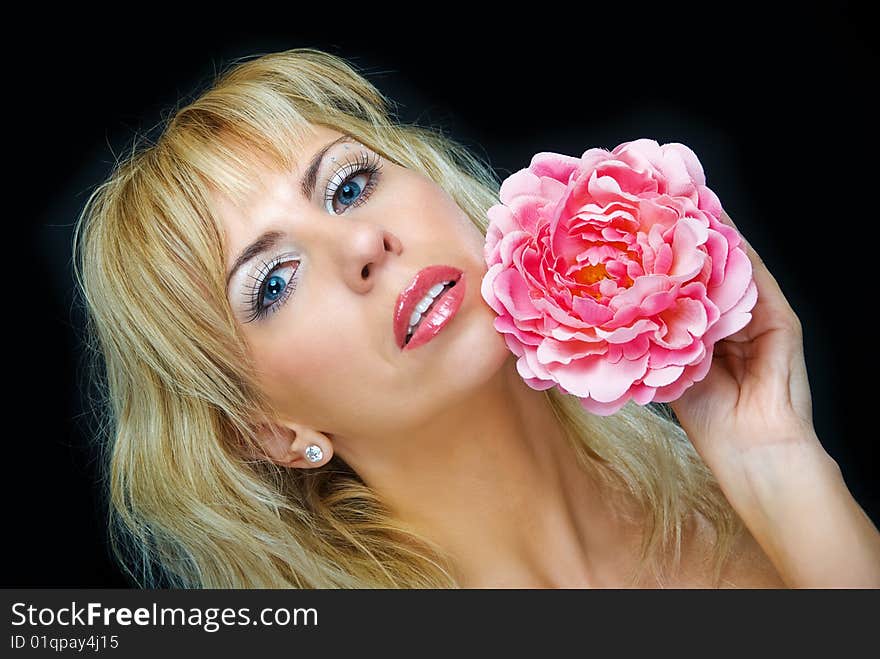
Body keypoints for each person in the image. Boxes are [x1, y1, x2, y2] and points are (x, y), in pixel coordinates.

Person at [72, 47, 880, 589]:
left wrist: (775, 460)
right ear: (266, 431)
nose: (362, 241)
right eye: (274, 281)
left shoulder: (747, 520)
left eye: (349, 185)